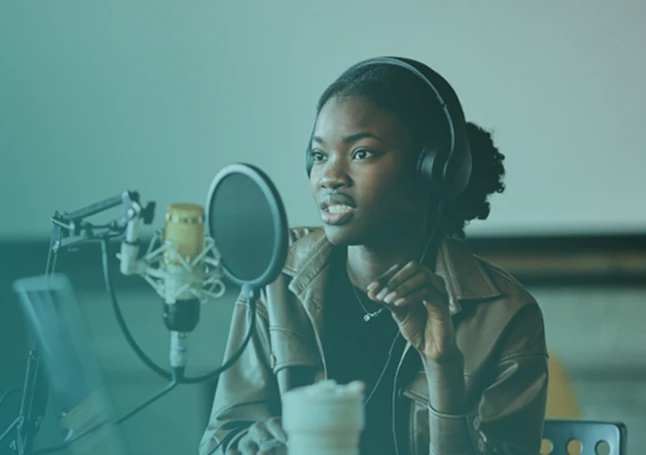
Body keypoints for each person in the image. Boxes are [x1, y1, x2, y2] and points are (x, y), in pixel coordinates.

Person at [200, 57, 548, 455]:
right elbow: (219, 439)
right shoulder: (277, 276)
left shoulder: (506, 316)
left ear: (430, 169)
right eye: (319, 156)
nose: (330, 177)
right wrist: (247, 443)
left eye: (362, 153)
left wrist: (443, 367)